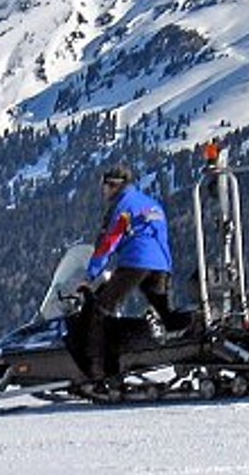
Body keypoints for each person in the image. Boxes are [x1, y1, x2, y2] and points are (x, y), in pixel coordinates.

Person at [80, 164, 174, 382]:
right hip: (161, 264)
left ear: (114, 185)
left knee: (100, 310)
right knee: (164, 312)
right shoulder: (152, 204)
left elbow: (109, 242)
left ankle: (98, 372)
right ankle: (185, 337)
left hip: (135, 262)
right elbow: (161, 237)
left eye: (104, 186)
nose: (103, 192)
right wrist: (165, 267)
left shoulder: (123, 206)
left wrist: (89, 276)